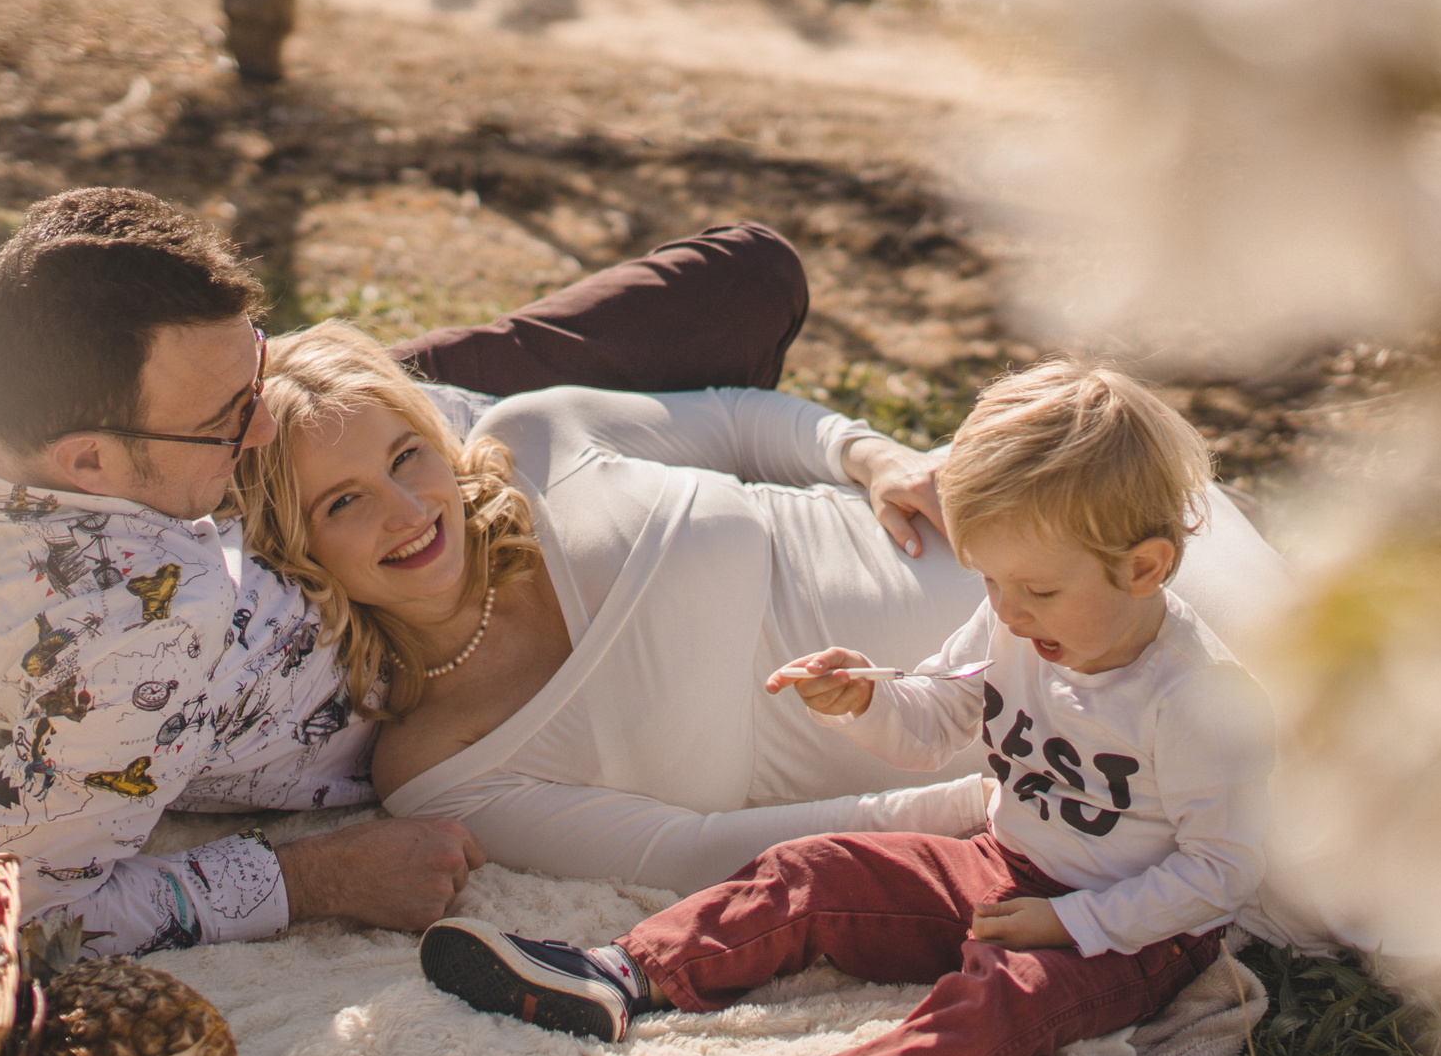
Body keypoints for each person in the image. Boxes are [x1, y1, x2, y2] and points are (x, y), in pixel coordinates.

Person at [412, 360, 1278, 1056]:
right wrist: (866, 699)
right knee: (817, 868)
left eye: (1037, 589)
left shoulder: (1200, 702)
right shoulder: (1020, 624)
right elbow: (941, 713)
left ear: (1144, 567)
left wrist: (1073, 922)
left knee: (1004, 1002)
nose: (1008, 610)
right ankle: (619, 974)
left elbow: (1218, 875)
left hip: (1127, 929)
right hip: (1002, 862)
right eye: (991, 583)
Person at [0, 186, 812, 958]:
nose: (261, 429)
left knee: (750, 278)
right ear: (87, 463)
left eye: (251, 367)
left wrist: (312, 398)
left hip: (435, 444)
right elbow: (15, 907)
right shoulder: (130, 650)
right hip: (455, 613)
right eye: (226, 422)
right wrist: (310, 876)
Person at [232, 327, 1294, 896]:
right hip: (1029, 763)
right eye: (342, 502)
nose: (406, 509)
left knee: (1323, 691)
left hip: (1021, 571)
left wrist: (865, 453)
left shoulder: (540, 440)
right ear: (297, 551)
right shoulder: (435, 767)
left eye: (406, 455)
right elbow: (687, 854)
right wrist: (989, 803)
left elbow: (742, 424)